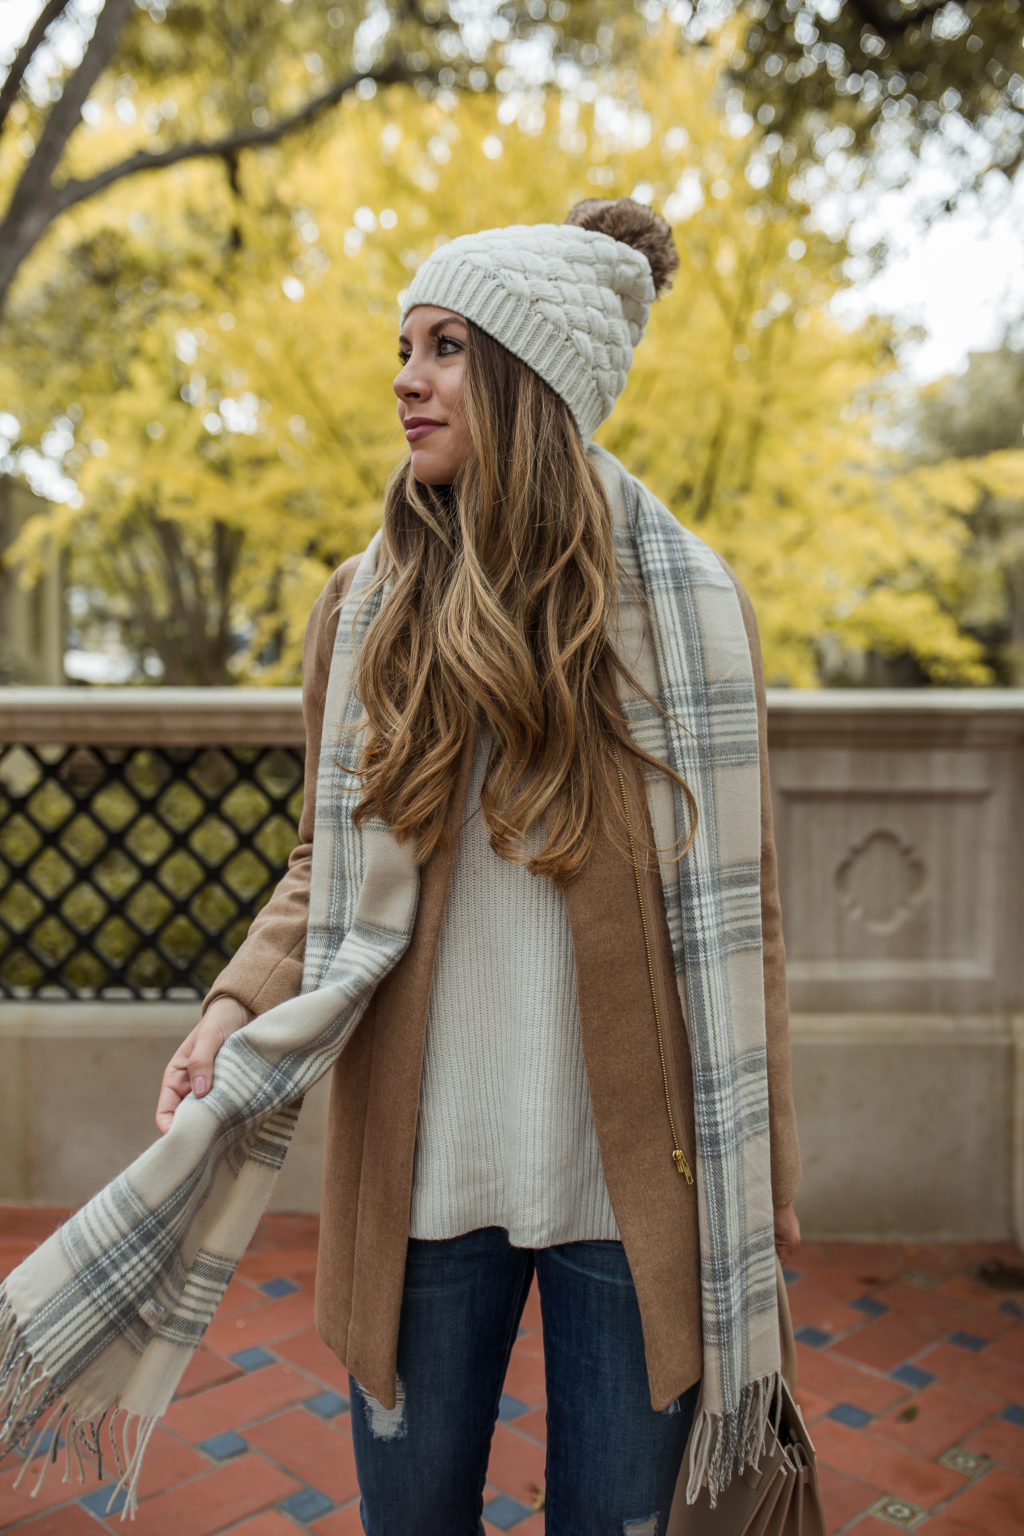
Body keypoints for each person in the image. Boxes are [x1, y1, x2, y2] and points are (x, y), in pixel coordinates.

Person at [152, 197, 801, 1535]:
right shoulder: (365, 608)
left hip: (630, 1188)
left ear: (528, 380)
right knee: (415, 1516)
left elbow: (751, 916)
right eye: (407, 343)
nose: (406, 375)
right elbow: (314, 869)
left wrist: (768, 1169)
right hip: (421, 1175)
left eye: (446, 346)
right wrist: (232, 1002)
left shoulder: (684, 619)